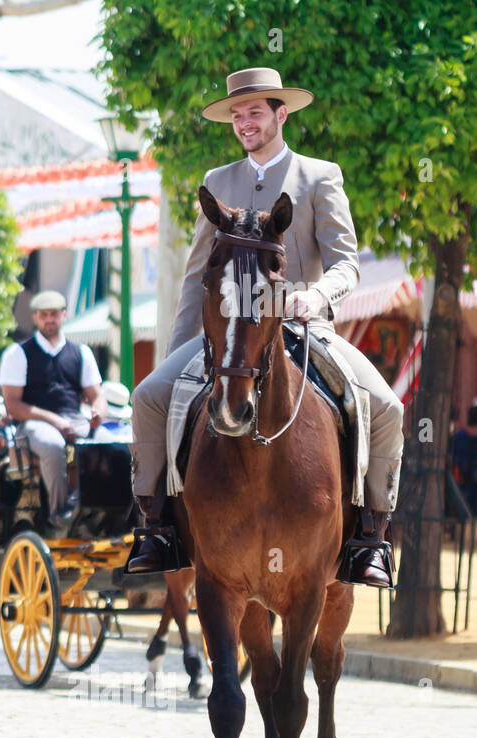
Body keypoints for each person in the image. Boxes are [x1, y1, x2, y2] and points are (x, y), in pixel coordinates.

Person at [125, 68, 403, 587]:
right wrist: (178, 351)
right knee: (147, 396)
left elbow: (347, 263)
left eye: (254, 112)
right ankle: (156, 528)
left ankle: (370, 537)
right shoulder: (216, 182)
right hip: (229, 336)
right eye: (236, 114)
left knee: (386, 406)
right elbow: (195, 279)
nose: (244, 122)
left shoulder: (321, 176)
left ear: (281, 114)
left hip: (302, 326)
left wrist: (315, 295)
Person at [0, 290, 107, 525]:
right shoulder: (18, 353)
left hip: (75, 418)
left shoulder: (82, 353)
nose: (49, 319)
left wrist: (98, 411)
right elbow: (13, 405)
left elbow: (97, 395)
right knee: (52, 444)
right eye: (44, 315)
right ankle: (61, 512)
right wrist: (53, 421)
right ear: (35, 318)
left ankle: (104, 505)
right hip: (32, 424)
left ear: (64, 315)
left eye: (54, 314)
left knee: (108, 440)